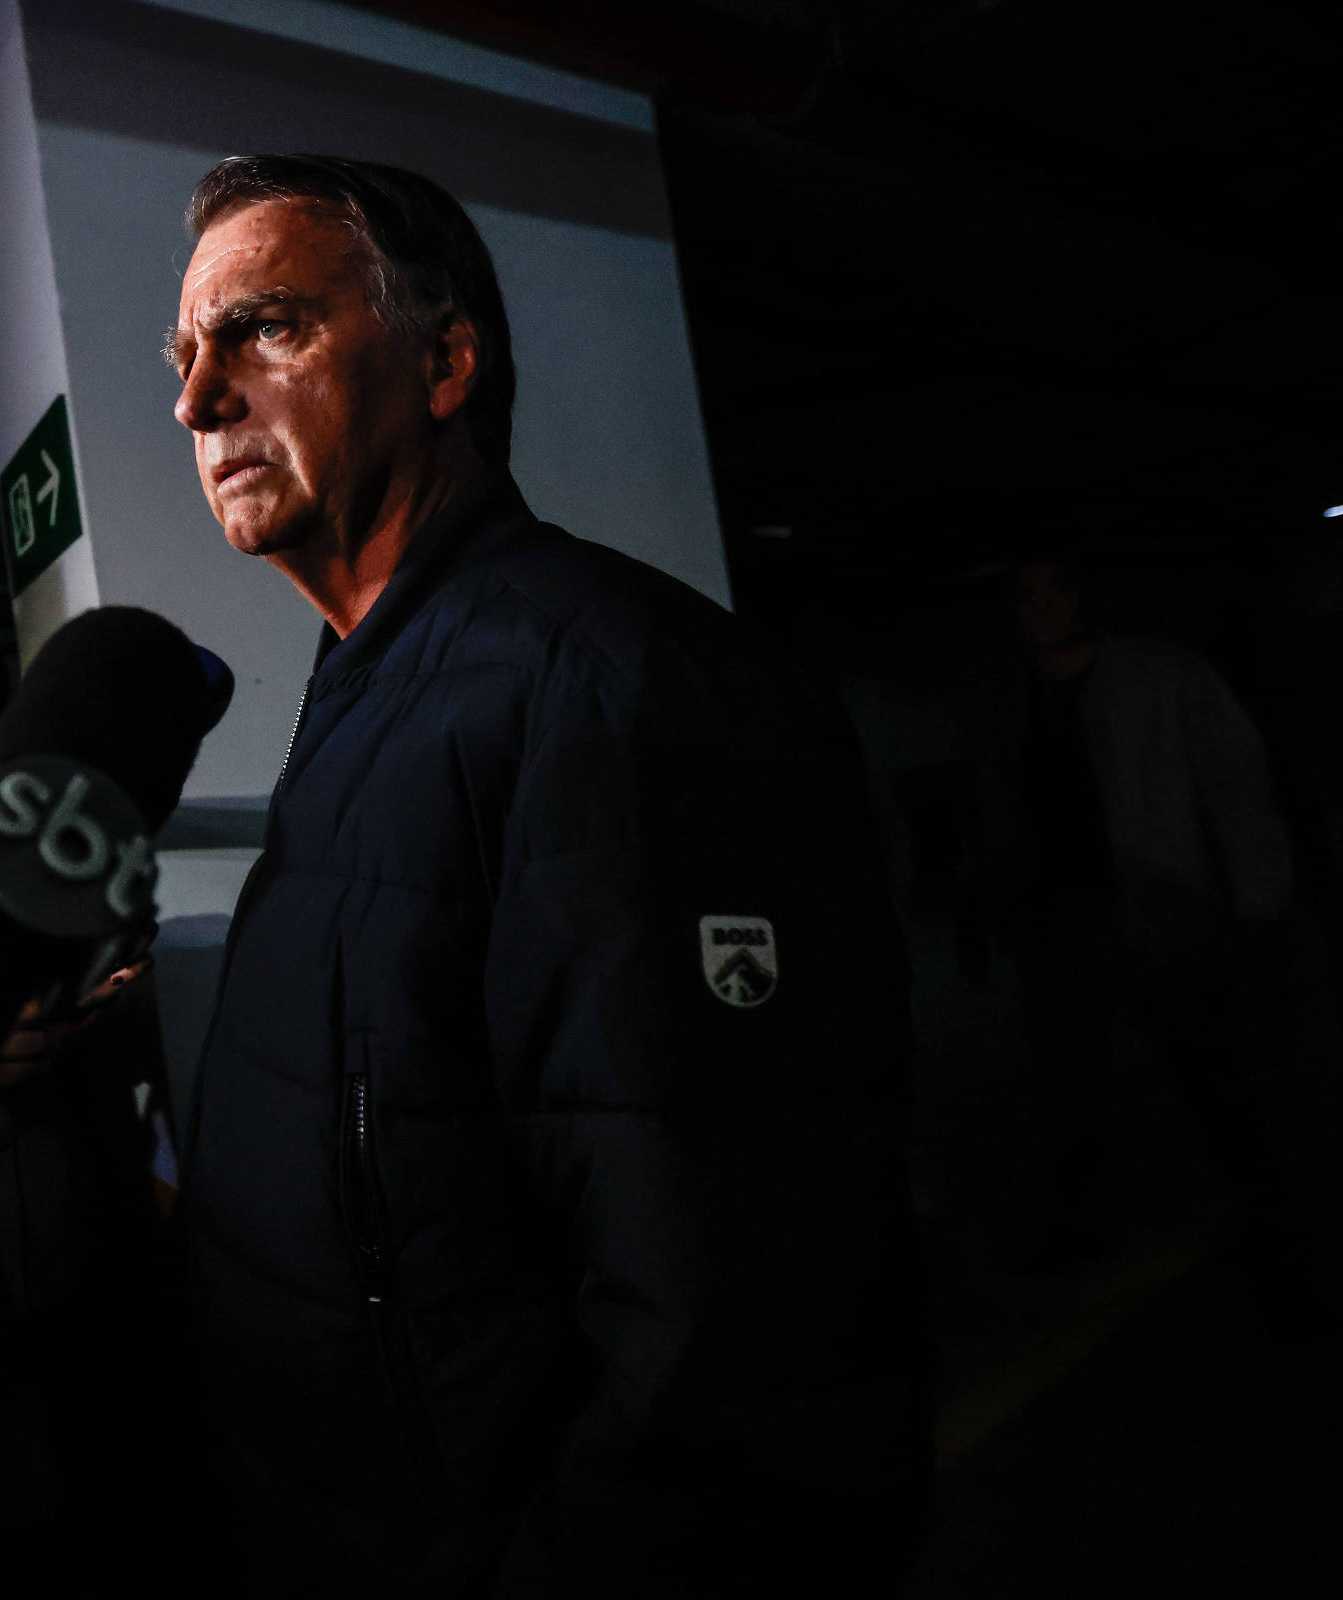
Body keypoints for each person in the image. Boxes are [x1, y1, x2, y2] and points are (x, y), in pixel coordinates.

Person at [163, 155, 929, 1594]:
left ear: (445, 362)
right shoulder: (370, 691)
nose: (200, 400)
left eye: (263, 328)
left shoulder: (623, 688)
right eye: (187, 354)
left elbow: (744, 1329)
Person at [961, 559, 1299, 1273]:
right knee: (1072, 1088)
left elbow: (1235, 786)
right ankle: (1090, 1225)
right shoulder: (1009, 694)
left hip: (1161, 911)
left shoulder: (1162, 676)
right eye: (1026, 595)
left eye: (1055, 590)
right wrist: (990, 906)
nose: (1039, 608)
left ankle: (1270, 1204)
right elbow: (995, 809)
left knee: (1208, 1070)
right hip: (1059, 922)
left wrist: (1257, 902)